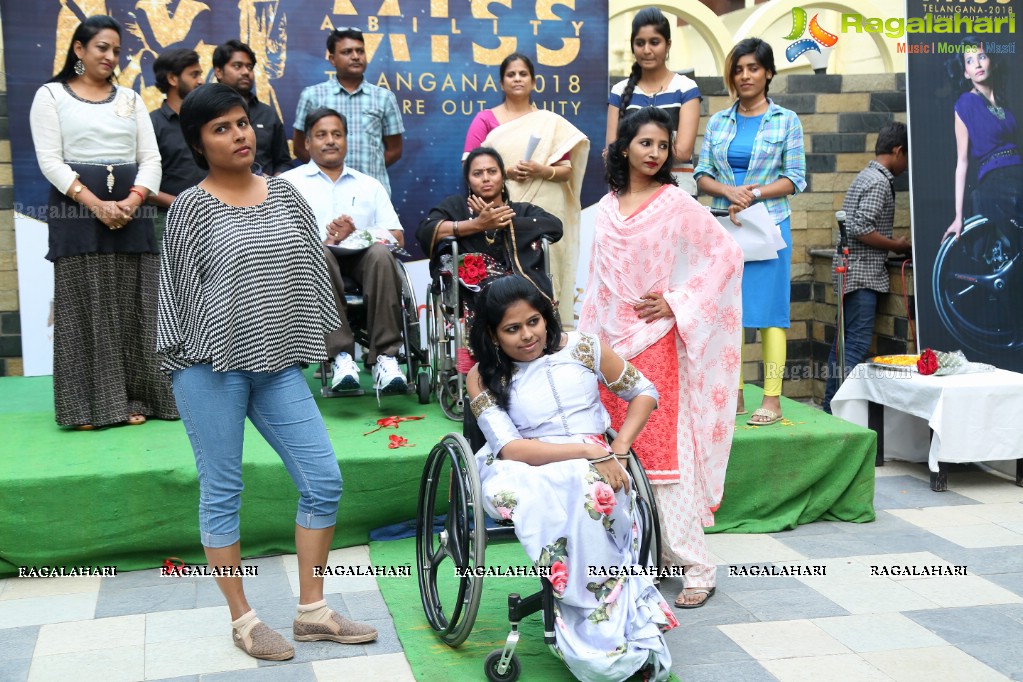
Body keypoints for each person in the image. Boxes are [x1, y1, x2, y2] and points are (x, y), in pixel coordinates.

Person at [157, 84, 377, 661]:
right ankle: (243, 618)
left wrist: (323, 338)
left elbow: (310, 266)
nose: (240, 135)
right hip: (209, 367)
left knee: (323, 480)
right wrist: (184, 363)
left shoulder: (285, 195)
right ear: (200, 144)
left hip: (276, 363)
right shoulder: (190, 208)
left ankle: (312, 611)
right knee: (224, 489)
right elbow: (175, 296)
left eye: (242, 123)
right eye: (221, 128)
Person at [466, 274, 677, 681]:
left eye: (533, 322)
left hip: (599, 459)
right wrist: (588, 451)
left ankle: (607, 627)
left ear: (546, 317)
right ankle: (594, 629)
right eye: (512, 329)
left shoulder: (584, 346)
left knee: (595, 488)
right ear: (493, 335)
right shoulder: (483, 375)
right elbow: (510, 448)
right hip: (526, 463)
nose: (527, 336)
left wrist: (617, 450)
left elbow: (645, 392)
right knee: (585, 486)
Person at [580, 107, 744, 609]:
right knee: (615, 454)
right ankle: (639, 557)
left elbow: (725, 255)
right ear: (625, 146)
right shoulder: (606, 208)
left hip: (655, 340)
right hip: (609, 348)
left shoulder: (676, 203)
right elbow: (599, 282)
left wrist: (675, 299)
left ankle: (697, 565)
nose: (655, 153)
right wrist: (586, 344)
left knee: (660, 456)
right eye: (645, 143)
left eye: (662, 145)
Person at [29, 14, 177, 429]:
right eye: (102, 48)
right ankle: (85, 408)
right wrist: (96, 203)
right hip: (76, 213)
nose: (111, 56)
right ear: (79, 49)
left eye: (116, 50)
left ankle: (139, 399)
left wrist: (132, 199)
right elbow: (50, 161)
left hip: (133, 215)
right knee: (85, 309)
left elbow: (151, 160)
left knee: (136, 309)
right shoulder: (51, 95)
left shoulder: (130, 100)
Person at [695, 37, 806, 426]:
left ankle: (772, 399)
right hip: (726, 227)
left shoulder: (786, 120)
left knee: (772, 314)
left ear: (769, 73)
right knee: (731, 314)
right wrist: (729, 192)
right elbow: (701, 174)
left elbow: (795, 179)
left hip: (770, 226)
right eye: (739, 69)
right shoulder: (718, 121)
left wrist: (754, 194)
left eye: (753, 68)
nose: (745, 75)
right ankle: (736, 395)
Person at [281, 107, 408, 393]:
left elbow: (398, 237)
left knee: (380, 254)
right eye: (321, 135)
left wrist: (355, 234)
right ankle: (341, 356)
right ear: (306, 143)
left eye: (337, 134)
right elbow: (276, 236)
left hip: (362, 265)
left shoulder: (369, 185)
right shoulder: (288, 184)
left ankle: (386, 359)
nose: (330, 141)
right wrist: (323, 241)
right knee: (321, 254)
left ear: (347, 140)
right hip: (311, 266)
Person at [463, 53, 588, 326]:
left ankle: (552, 328)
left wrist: (540, 170)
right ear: (501, 82)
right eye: (511, 74)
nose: (517, 79)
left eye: (523, 74)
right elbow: (469, 164)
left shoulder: (549, 122)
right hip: (501, 207)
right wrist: (505, 172)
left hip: (543, 210)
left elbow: (566, 169)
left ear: (533, 81)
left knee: (547, 265)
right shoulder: (485, 120)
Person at [822, 123, 911, 414]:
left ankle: (829, 409)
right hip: (863, 276)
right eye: (907, 157)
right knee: (855, 345)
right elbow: (860, 227)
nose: (907, 165)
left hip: (851, 273)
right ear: (898, 151)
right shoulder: (879, 182)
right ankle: (838, 411)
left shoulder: (866, 175)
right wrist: (896, 244)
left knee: (842, 346)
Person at [417, 147, 563, 307]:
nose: (485, 178)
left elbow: (554, 226)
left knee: (519, 291)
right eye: (477, 173)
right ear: (468, 181)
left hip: (522, 286)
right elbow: (427, 229)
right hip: (472, 293)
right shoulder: (456, 207)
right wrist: (477, 224)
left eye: (492, 171)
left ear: (503, 177)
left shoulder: (521, 211)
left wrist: (501, 221)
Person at [293, 27, 404, 195]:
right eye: (347, 52)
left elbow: (394, 150)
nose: (355, 56)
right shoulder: (312, 95)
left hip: (371, 193)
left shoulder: (384, 97)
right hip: (324, 190)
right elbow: (300, 146)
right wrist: (327, 171)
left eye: (360, 51)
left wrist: (366, 173)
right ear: (332, 59)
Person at [607, 7, 701, 196]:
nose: (647, 50)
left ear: (668, 45)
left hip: (678, 193)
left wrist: (635, 147)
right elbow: (612, 150)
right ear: (632, 46)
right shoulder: (619, 91)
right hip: (631, 193)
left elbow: (683, 152)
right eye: (640, 43)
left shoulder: (685, 88)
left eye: (654, 42)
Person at [943, 37, 1022, 242]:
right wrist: (959, 216)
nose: (977, 64)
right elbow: (962, 161)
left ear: (992, 62)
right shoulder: (965, 104)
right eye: (969, 61)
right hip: (996, 179)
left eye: (982, 57)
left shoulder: (1005, 101)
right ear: (965, 73)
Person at [150, 48, 206, 246]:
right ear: (173, 79)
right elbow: (141, 184)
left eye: (200, 73)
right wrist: (181, 205)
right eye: (194, 74)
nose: (201, 80)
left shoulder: (206, 122)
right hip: (167, 222)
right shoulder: (151, 124)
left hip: (212, 221)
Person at [212, 39, 292, 176]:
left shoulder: (267, 113)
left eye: (249, 67)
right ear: (219, 72)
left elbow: (283, 162)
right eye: (237, 66)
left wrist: (274, 184)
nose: (245, 72)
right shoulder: (207, 112)